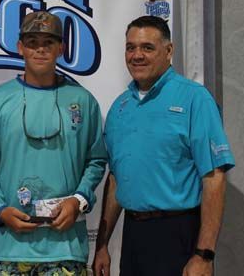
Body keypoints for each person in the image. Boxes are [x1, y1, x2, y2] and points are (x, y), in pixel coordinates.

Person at [93, 16, 235, 276]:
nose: (137, 55)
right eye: (131, 47)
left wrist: (204, 255)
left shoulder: (195, 99)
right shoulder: (120, 108)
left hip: (179, 235)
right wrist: (102, 245)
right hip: (133, 236)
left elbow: (214, 177)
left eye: (147, 47)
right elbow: (115, 180)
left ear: (169, 51)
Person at [0, 10, 107, 276]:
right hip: (10, 248)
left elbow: (96, 160)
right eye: (32, 42)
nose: (40, 49)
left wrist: (79, 200)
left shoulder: (83, 101)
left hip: (65, 247)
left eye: (48, 42)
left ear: (61, 48)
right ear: (20, 47)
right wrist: (0, 210)